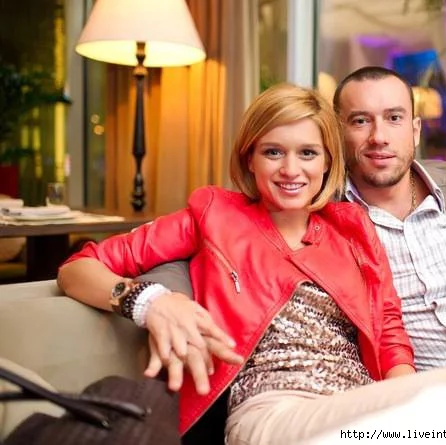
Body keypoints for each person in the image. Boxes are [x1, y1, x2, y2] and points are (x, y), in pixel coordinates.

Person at [136, 66, 446, 378]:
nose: (379, 137)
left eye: (393, 118)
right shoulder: (313, 210)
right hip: (429, 395)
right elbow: (207, 243)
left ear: (415, 129)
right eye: (360, 121)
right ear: (336, 134)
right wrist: (163, 300)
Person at [58, 83, 423, 444]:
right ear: (250, 158)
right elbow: (76, 269)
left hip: (358, 403)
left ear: (327, 161)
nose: (291, 169)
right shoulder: (213, 214)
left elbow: (389, 331)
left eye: (308, 153)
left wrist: (410, 407)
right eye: (273, 152)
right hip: (273, 407)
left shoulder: (352, 228)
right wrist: (150, 302)